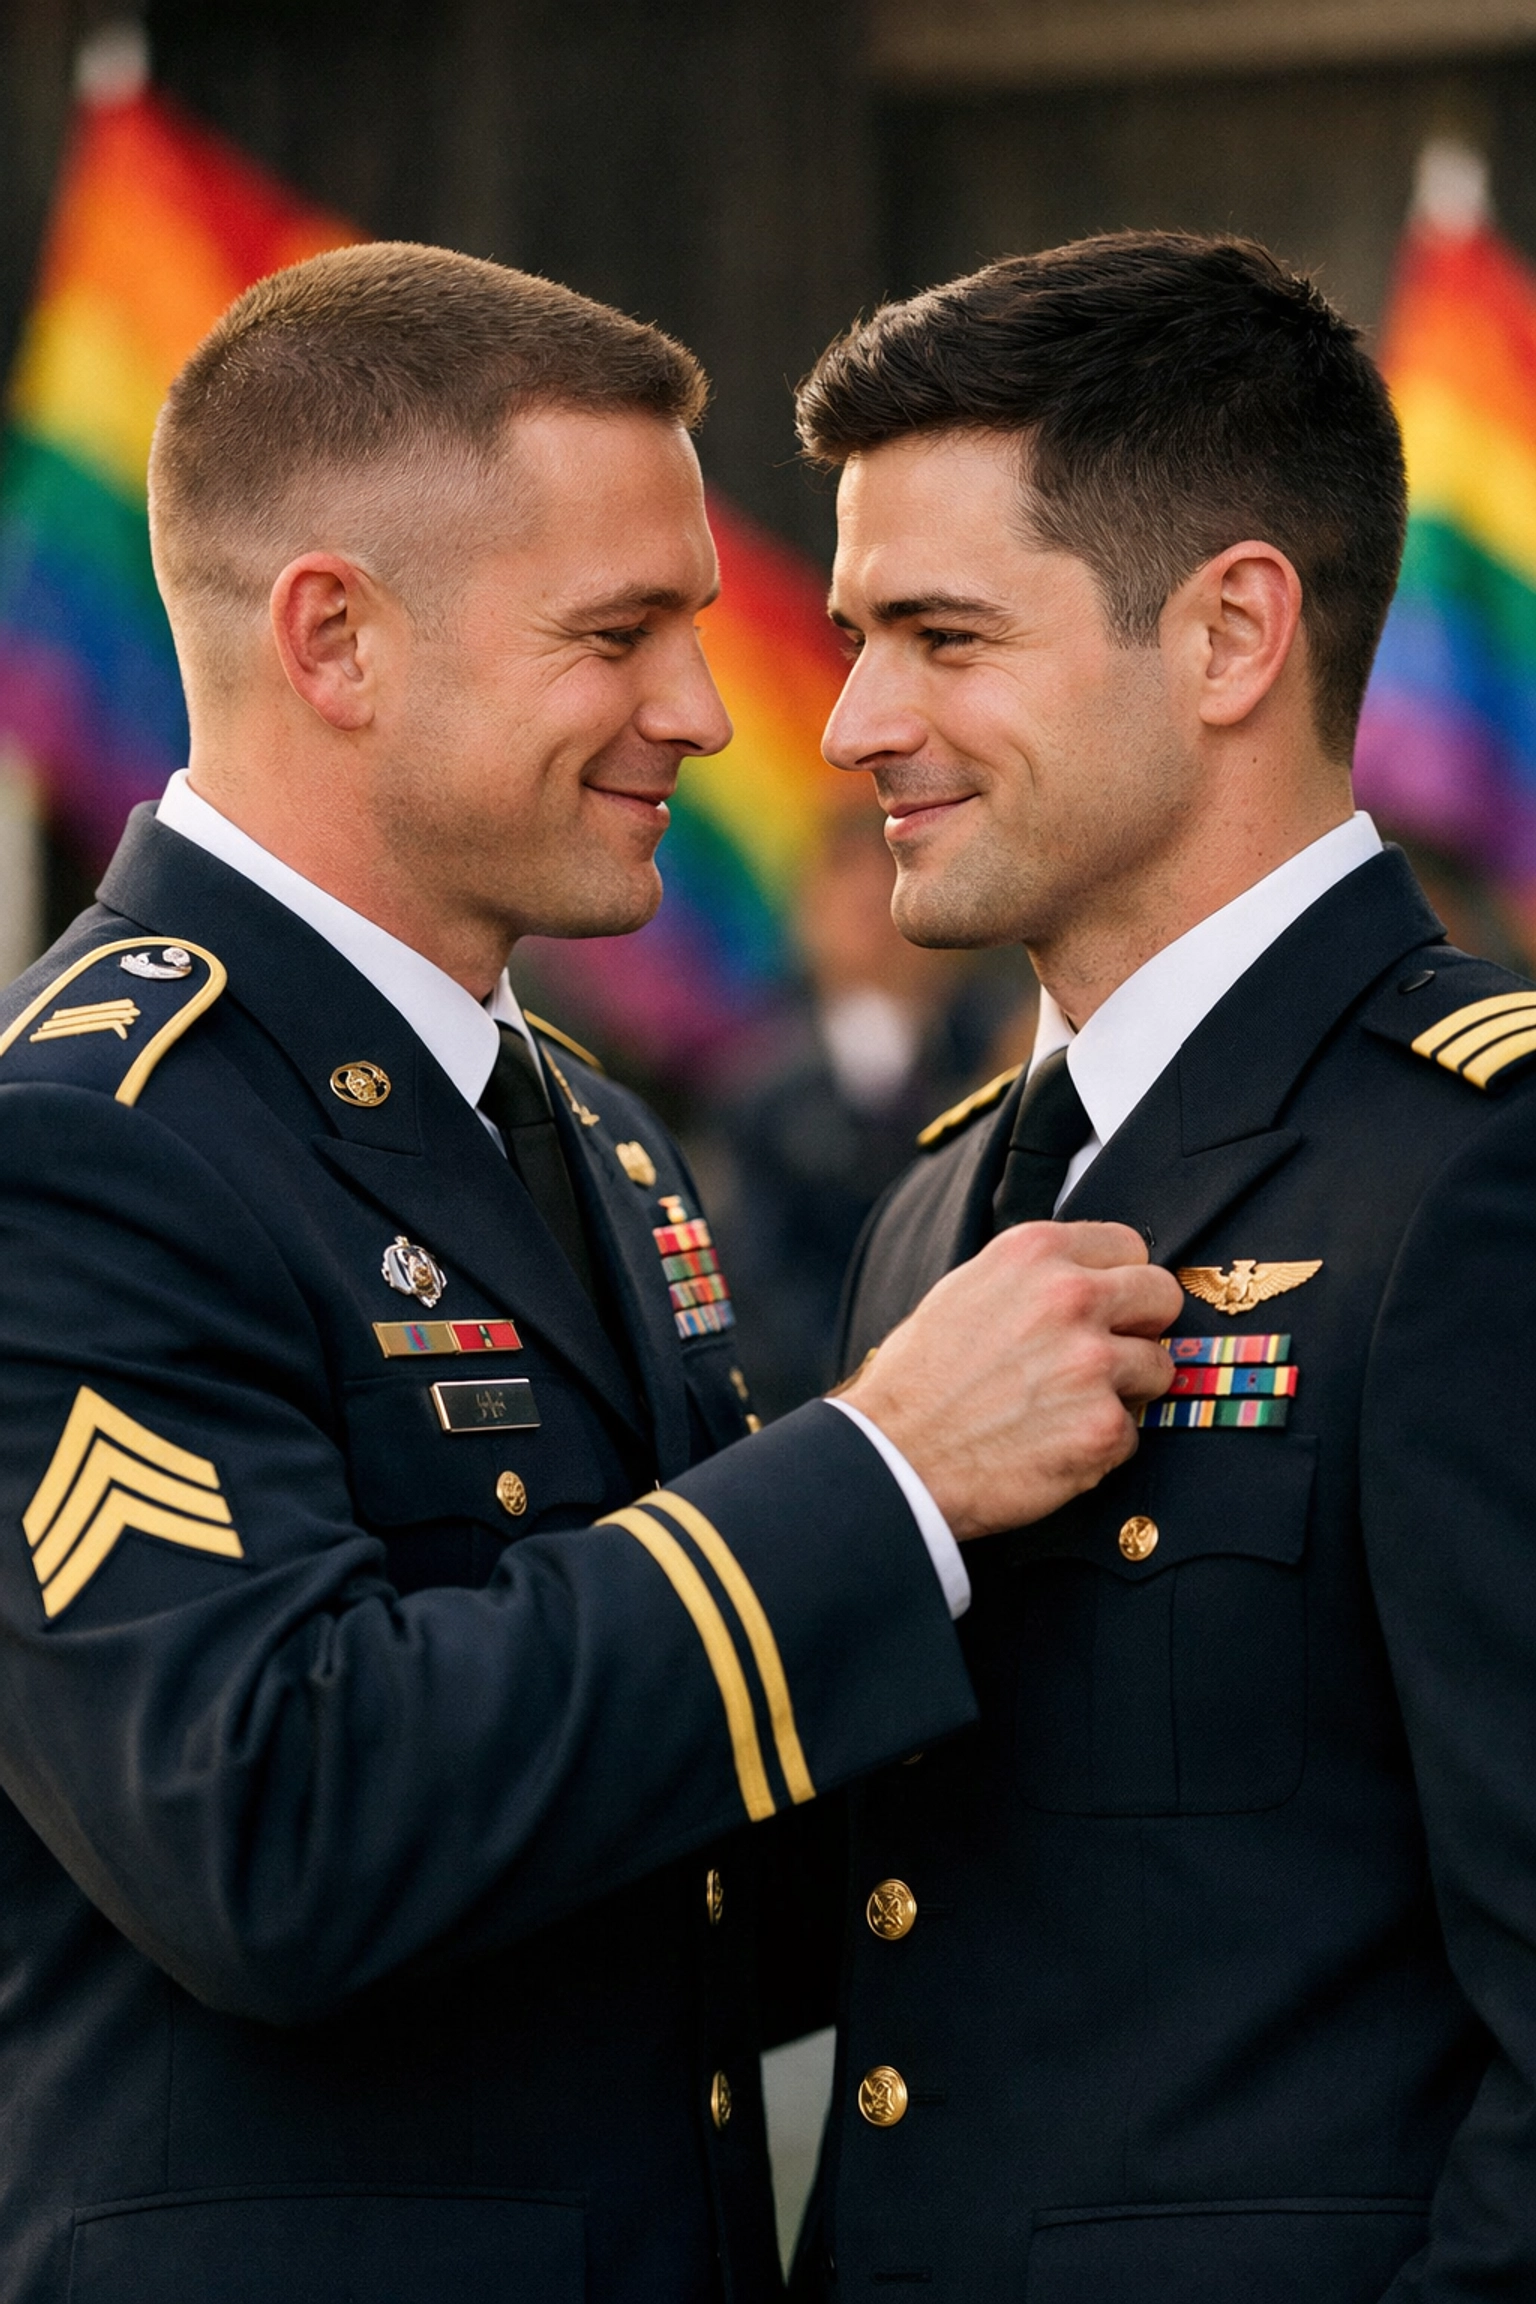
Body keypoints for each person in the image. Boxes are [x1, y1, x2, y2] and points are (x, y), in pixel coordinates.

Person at [0, 243, 1179, 2304]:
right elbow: (265, 1824)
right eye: (619, 634)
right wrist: (884, 1474)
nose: (708, 718)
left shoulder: (593, 1134)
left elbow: (694, 1839)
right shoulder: (81, 1139)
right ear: (336, 640)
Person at [788, 231, 1536, 2300]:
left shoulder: (1484, 1169)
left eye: (942, 635)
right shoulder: (938, 1209)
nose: (854, 722)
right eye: (859, 635)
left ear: (1229, 638)